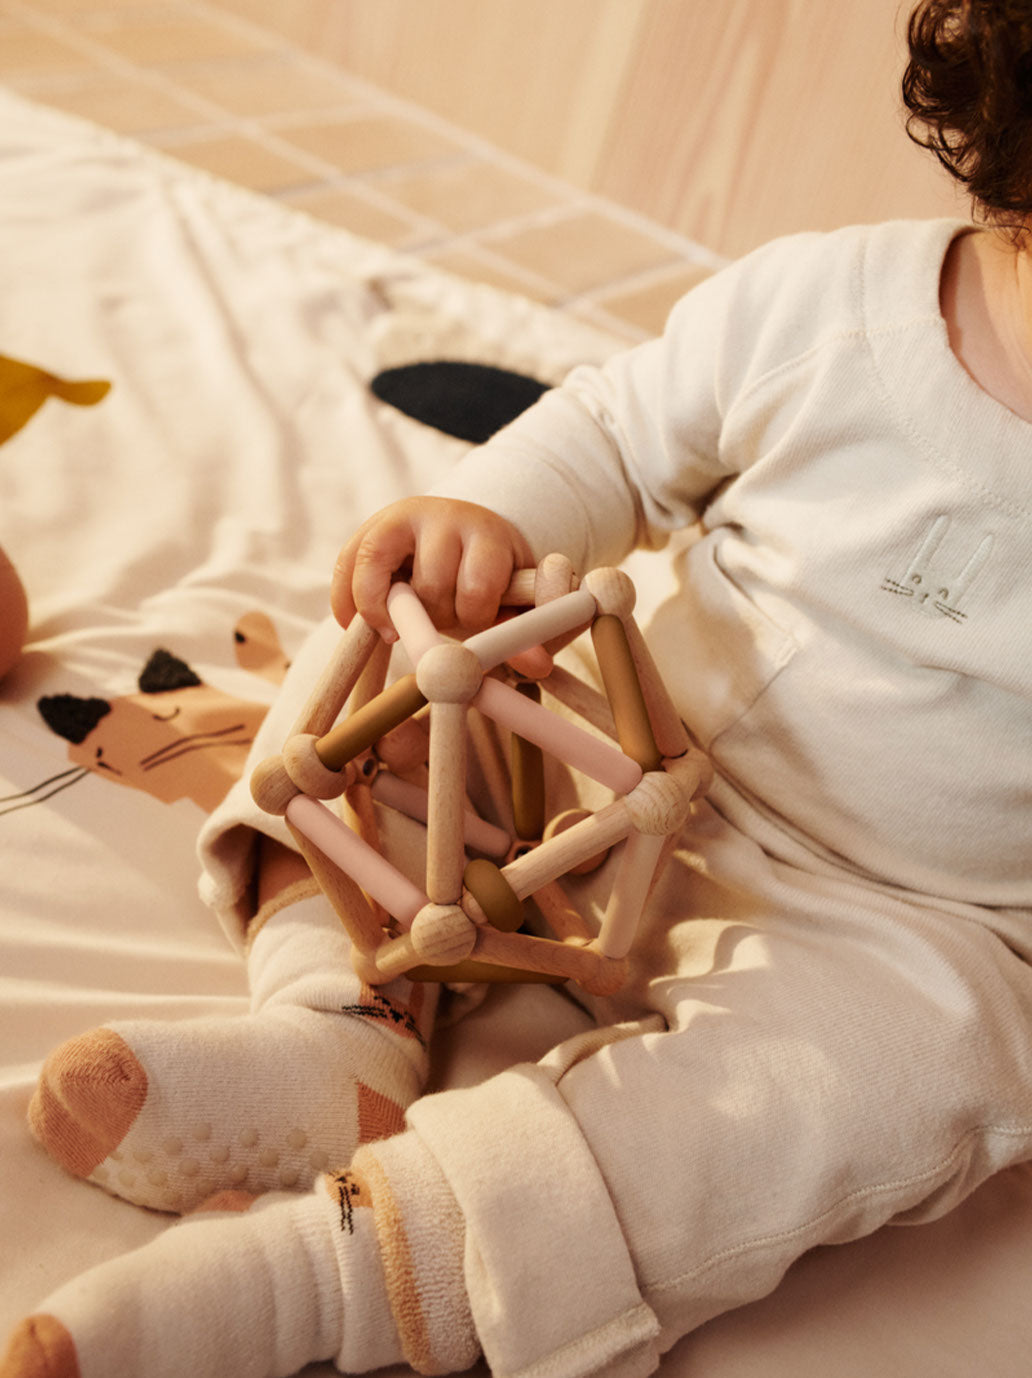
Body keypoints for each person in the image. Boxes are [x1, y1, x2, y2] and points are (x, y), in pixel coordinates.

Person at [4, 1, 1032, 1374]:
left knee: (925, 1073)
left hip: (904, 923)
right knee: (387, 638)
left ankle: (346, 1270)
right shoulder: (830, 305)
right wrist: (479, 516)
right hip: (601, 742)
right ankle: (333, 1028)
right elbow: (612, 429)